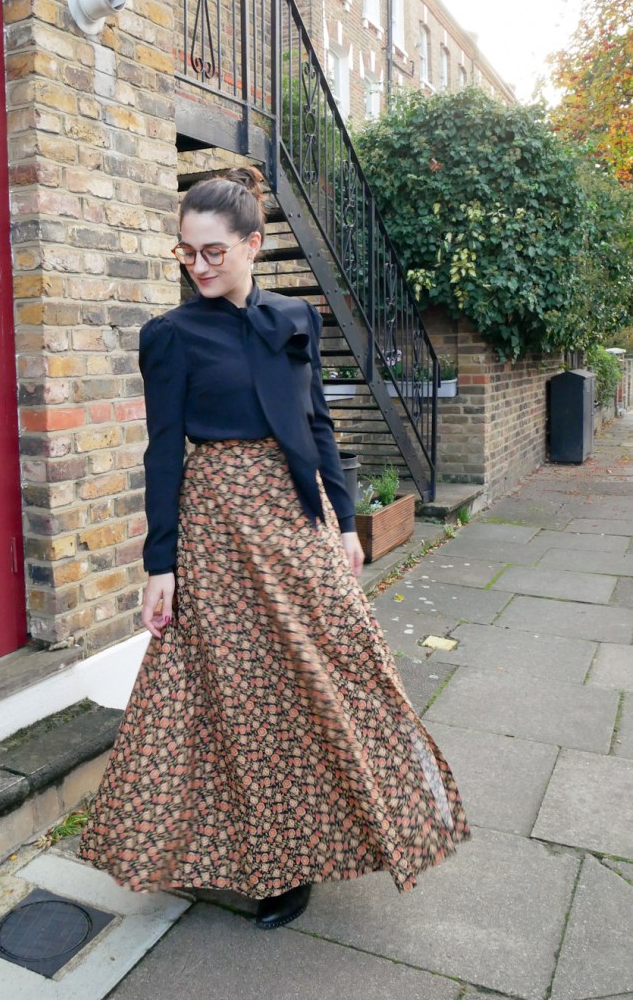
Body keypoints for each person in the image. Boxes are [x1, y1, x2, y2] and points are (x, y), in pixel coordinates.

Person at [78, 166, 469, 929]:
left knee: (338, 673)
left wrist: (339, 520)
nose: (198, 265)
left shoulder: (294, 317)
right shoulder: (168, 336)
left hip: (298, 519)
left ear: (253, 244)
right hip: (218, 528)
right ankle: (265, 863)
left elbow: (317, 423)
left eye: (213, 251)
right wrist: (161, 563)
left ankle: (350, 828)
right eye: (186, 252)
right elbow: (163, 452)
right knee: (234, 694)